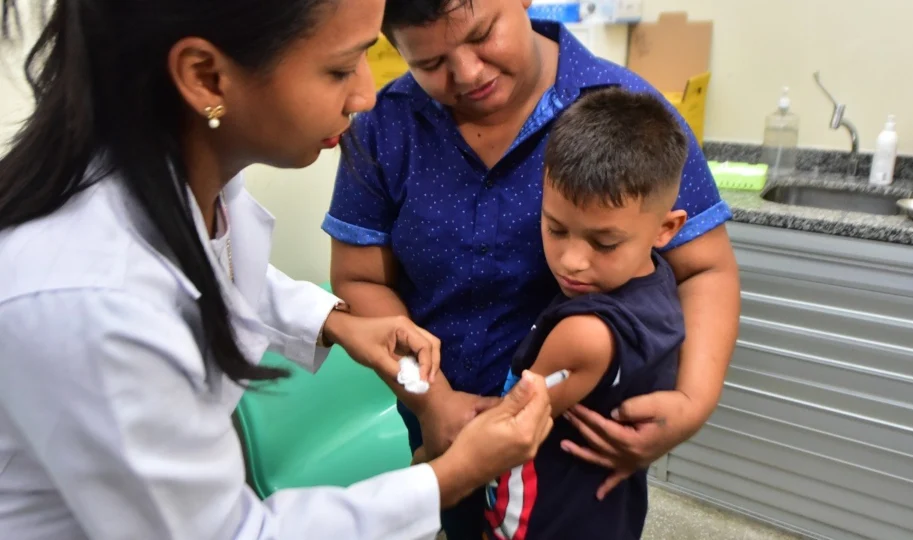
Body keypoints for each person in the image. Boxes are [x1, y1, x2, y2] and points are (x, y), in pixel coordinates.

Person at [0, 1, 555, 539]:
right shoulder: (93, 301)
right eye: (340, 68)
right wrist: (452, 476)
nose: (365, 94)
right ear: (206, 77)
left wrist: (336, 323)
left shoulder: (184, 182)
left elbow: (212, 269)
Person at [324, 0, 741, 537]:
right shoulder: (384, 127)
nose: (468, 74)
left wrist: (693, 403)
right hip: (443, 440)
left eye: (483, 34)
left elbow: (706, 269)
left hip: (578, 468)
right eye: (431, 64)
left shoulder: (627, 114)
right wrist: (434, 404)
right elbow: (360, 280)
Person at [482, 88, 688, 540]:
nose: (572, 261)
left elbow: (509, 429)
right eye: (555, 228)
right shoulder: (656, 281)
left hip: (540, 519)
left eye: (604, 243)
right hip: (609, 513)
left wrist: (434, 461)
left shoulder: (584, 335)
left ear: (667, 228)